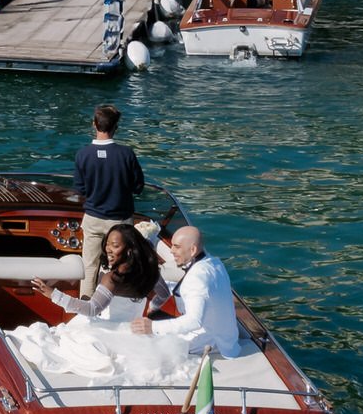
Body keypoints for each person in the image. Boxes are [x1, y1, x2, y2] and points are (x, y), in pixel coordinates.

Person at [130, 224, 240, 358]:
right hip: (228, 337)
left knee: (138, 344)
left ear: (193, 250)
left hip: (210, 342)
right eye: (172, 245)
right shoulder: (214, 262)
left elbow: (193, 321)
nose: (171, 251)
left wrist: (152, 327)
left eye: (176, 246)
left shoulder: (196, 278)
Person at [73, 103, 144, 299]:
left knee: (89, 265)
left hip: (93, 218)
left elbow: (81, 190)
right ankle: (121, 301)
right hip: (120, 221)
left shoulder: (82, 154)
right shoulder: (126, 154)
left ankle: (86, 304)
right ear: (116, 127)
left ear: (94, 125)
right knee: (123, 263)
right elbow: (138, 186)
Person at [32, 223, 171, 321]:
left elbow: (92, 310)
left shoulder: (112, 278)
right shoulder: (150, 272)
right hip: (133, 333)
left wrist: (53, 294)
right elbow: (164, 295)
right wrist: (152, 308)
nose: (108, 249)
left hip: (108, 333)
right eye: (107, 244)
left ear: (129, 250)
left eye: (115, 246)